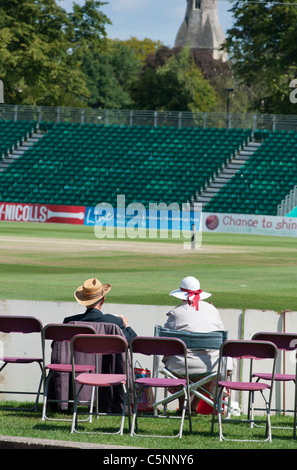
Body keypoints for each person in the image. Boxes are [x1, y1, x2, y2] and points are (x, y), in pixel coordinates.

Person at [163, 276, 224, 415]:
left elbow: (165, 339)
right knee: (212, 366)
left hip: (181, 365)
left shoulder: (176, 313)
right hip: (210, 365)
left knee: (174, 358)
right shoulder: (212, 310)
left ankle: (183, 406)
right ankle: (193, 407)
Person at [63, 277, 137, 343]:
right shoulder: (115, 322)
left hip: (78, 358)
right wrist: (126, 324)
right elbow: (133, 343)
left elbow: (57, 346)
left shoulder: (69, 322)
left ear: (84, 301)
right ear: (103, 300)